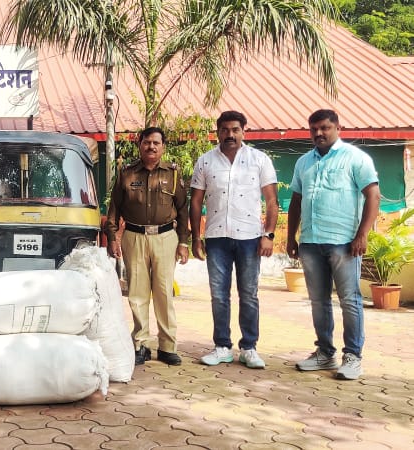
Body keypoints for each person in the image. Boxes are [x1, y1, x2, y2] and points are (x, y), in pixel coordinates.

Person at [287, 109, 379, 381]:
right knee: (318, 300)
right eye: (314, 129)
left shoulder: (356, 158)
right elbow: (295, 201)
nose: (318, 133)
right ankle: (325, 353)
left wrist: (362, 235)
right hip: (311, 242)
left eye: (325, 128)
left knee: (349, 299)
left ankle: (353, 356)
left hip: (344, 244)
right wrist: (292, 236)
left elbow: (373, 195)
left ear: (338, 128)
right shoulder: (303, 162)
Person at [189, 110, 278, 369]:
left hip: (250, 237)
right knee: (219, 295)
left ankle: (249, 347)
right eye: (225, 130)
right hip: (216, 237)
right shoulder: (205, 161)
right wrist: (196, 237)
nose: (230, 134)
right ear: (217, 132)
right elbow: (195, 202)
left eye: (235, 129)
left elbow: (271, 201)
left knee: (249, 294)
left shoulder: (259, 160)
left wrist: (268, 235)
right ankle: (222, 346)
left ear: (243, 131)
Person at [104, 127, 189, 366]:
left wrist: (184, 242)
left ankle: (167, 346)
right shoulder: (127, 174)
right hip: (134, 236)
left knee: (164, 293)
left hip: (165, 238)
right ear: (139, 145)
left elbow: (182, 210)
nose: (151, 147)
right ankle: (141, 344)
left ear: (163, 147)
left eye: (156, 143)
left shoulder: (173, 174)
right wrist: (112, 237)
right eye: (147, 142)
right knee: (138, 293)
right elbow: (114, 209)